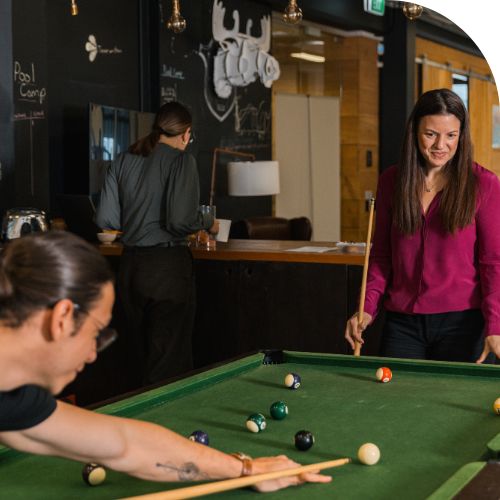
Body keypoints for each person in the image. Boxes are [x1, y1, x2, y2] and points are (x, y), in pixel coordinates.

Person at [0, 231, 331, 491]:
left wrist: (246, 469)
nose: (91, 354)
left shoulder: (12, 396)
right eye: (96, 333)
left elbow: (125, 444)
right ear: (62, 318)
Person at [345, 88, 500, 363]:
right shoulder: (391, 181)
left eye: (451, 135)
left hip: (464, 324)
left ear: (461, 136)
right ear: (415, 131)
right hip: (403, 324)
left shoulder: (485, 184)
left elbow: (493, 263)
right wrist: (366, 309)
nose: (441, 145)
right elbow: (381, 256)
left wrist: (496, 326)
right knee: (393, 404)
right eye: (431, 134)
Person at [95, 102, 219, 386]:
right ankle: (166, 428)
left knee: (137, 360)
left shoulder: (124, 159)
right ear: (186, 134)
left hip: (129, 268)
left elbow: (106, 217)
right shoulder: (181, 161)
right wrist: (206, 222)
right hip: (167, 269)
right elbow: (178, 221)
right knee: (168, 364)